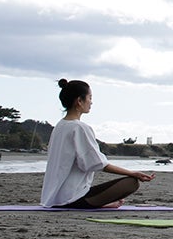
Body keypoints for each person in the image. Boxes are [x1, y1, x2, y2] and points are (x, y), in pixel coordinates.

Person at [41, 79, 154, 208]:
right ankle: (102, 205)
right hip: (71, 198)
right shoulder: (79, 128)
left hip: (52, 197)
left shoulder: (59, 126)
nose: (91, 102)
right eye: (90, 97)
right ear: (79, 101)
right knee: (131, 183)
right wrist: (133, 173)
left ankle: (103, 204)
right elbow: (98, 163)